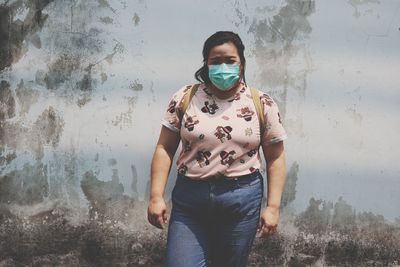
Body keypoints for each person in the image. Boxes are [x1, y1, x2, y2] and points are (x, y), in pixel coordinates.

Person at [147, 31, 288, 267]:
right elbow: (165, 147)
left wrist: (273, 207)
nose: (223, 67)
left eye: (230, 60)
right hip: (190, 200)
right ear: (206, 64)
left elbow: (276, 158)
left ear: (241, 63)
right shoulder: (185, 97)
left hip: (241, 200)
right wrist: (155, 196)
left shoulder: (261, 103)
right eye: (215, 61)